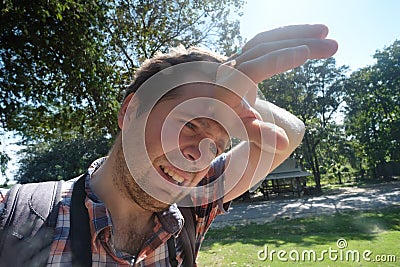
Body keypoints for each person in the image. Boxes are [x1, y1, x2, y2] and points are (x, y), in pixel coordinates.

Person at [0, 24, 338, 266]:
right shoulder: (13, 218)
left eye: (216, 147)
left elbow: (290, 132)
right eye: (190, 123)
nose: (198, 154)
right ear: (131, 111)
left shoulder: (193, 208)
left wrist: (239, 86)